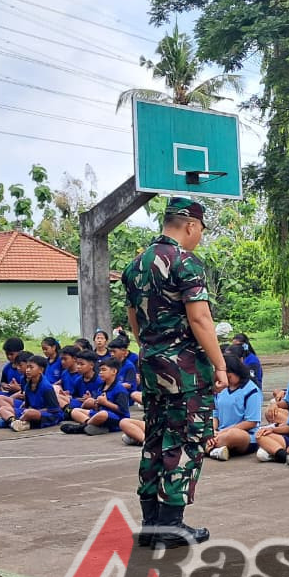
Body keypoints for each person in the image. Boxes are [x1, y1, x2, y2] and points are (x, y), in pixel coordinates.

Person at [122, 196, 227, 548]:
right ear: (190, 225)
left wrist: (154, 350)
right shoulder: (185, 263)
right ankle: (171, 526)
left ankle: (151, 525)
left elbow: (134, 322)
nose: (198, 238)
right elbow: (200, 318)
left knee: (153, 443)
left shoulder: (135, 265)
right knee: (183, 443)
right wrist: (220, 364)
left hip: (152, 368)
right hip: (185, 374)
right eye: (200, 231)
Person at [206, 355, 262, 461]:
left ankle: (210, 449)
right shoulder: (220, 389)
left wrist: (223, 432)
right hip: (220, 432)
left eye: (229, 377)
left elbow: (251, 422)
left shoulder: (252, 390)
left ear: (237, 371)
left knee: (232, 435)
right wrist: (212, 430)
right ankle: (214, 449)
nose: (226, 380)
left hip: (244, 435)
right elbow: (215, 413)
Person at [60, 357, 130, 436]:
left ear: (114, 371)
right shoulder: (101, 386)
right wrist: (96, 403)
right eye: (100, 370)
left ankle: (81, 428)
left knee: (103, 414)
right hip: (98, 413)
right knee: (75, 410)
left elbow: (123, 411)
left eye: (104, 370)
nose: (100, 373)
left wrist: (106, 403)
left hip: (117, 418)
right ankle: (93, 426)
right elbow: (97, 406)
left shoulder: (119, 389)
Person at [0, 355, 63, 432]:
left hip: (47, 415)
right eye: (27, 367)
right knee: (2, 409)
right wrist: (21, 410)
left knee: (29, 413)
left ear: (41, 370)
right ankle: (13, 421)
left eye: (31, 367)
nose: (28, 370)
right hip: (29, 411)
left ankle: (18, 422)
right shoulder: (28, 384)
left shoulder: (46, 387)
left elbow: (54, 410)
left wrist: (34, 411)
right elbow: (27, 405)